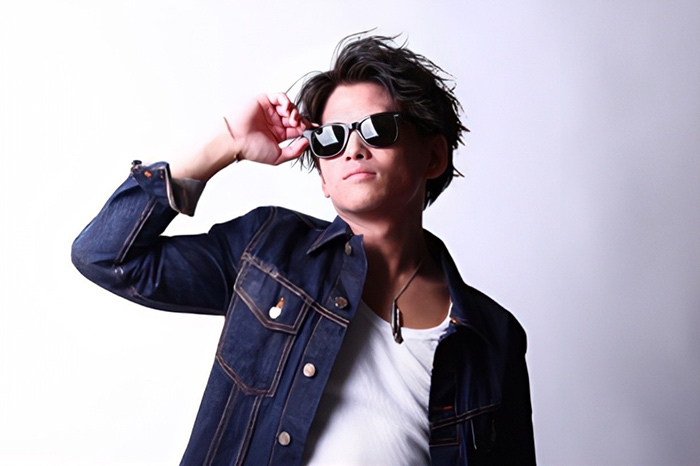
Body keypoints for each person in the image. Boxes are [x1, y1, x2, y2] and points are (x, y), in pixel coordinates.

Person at [72, 34, 535, 466]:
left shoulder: (493, 338)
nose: (353, 149)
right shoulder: (268, 249)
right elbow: (105, 255)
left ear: (433, 156)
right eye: (332, 138)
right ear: (323, 179)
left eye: (378, 129)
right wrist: (227, 142)